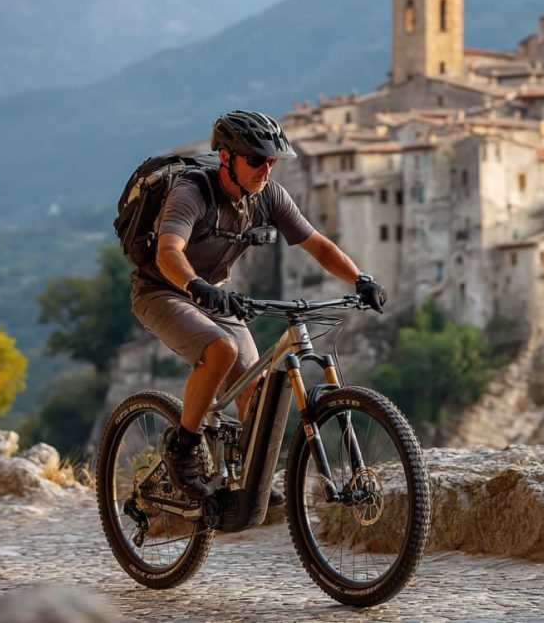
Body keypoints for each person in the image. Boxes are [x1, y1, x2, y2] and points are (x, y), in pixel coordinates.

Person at [130, 109, 387, 500]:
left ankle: (250, 484)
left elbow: (317, 244)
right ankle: (182, 448)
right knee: (221, 349)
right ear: (227, 158)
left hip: (215, 293)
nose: (265, 170)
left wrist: (360, 279)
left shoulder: (268, 196)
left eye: (271, 161)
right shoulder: (192, 192)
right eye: (256, 160)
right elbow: (168, 251)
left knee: (255, 388)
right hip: (162, 290)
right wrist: (195, 285)